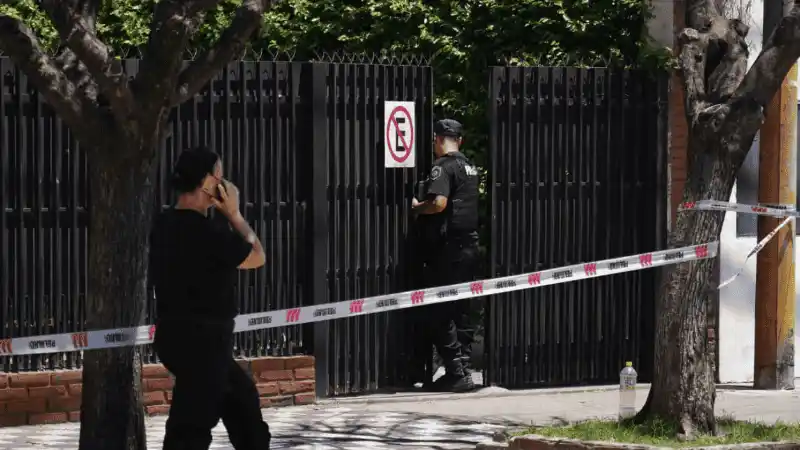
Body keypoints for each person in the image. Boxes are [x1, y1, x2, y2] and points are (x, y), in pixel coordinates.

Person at [148, 146, 271, 449]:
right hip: (203, 342)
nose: (223, 182)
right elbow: (258, 256)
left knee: (242, 401)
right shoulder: (210, 234)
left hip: (176, 336)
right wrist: (234, 214)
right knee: (191, 426)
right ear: (206, 183)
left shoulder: (162, 225)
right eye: (219, 176)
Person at [412, 119, 480, 393]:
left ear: (438, 140)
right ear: (460, 140)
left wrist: (417, 208)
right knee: (461, 309)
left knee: (440, 309)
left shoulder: (443, 166)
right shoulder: (470, 168)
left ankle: (455, 371)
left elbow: (439, 204)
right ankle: (463, 368)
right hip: (470, 247)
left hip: (449, 248)